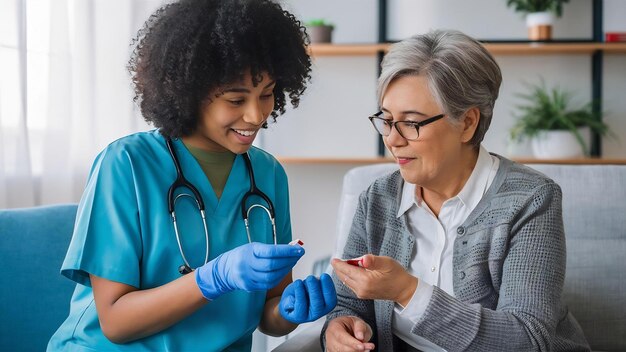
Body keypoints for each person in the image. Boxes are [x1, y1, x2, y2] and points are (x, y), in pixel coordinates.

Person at [47, 0, 336, 350]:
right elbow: (116, 322)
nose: (256, 115)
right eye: (235, 99)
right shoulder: (126, 164)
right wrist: (212, 278)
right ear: (190, 91)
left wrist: (293, 309)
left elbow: (269, 315)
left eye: (268, 94)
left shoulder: (267, 173)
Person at [323, 30, 590, 352]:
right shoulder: (377, 199)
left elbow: (527, 339)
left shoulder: (531, 200)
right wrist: (337, 330)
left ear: (467, 123)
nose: (392, 139)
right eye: (387, 120)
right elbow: (346, 303)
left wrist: (408, 291)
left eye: (411, 122)